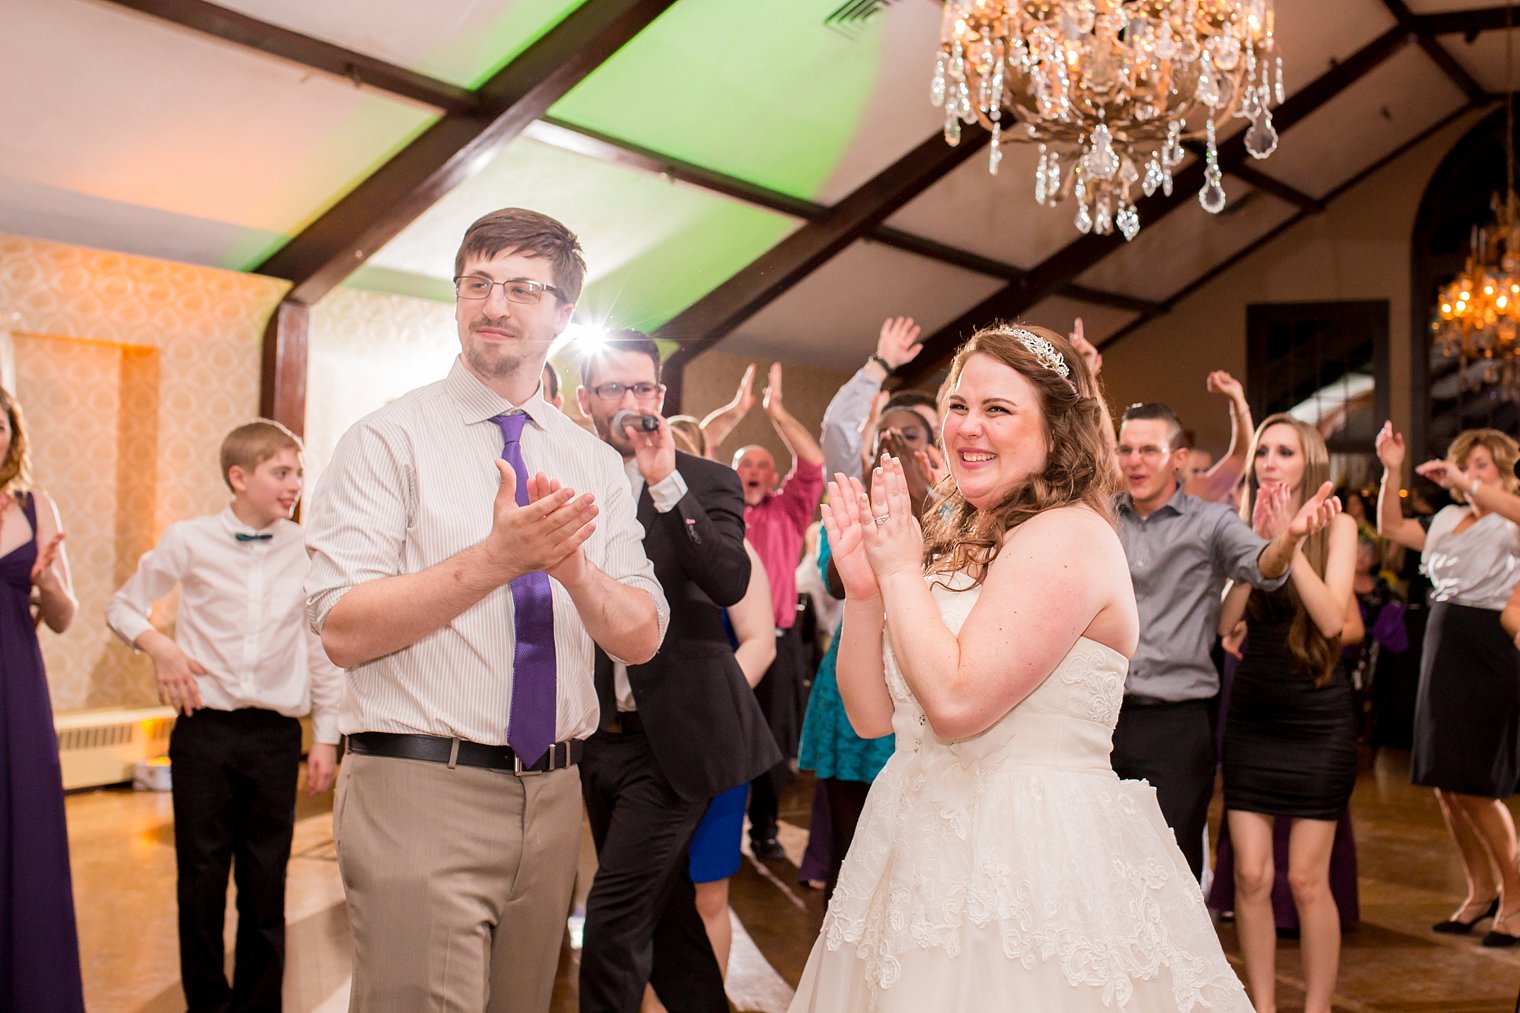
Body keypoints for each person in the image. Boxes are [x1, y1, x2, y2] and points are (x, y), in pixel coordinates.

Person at [789, 323, 1260, 1011]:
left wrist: (899, 572)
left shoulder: (1068, 534)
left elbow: (954, 702)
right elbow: (872, 716)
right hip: (914, 850)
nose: (967, 428)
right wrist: (866, 592)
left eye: (997, 409)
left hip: (1031, 858)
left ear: (1055, 428)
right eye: (958, 405)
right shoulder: (958, 533)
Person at [305, 208, 669, 1011]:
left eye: (520, 287)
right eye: (477, 283)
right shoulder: (385, 441)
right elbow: (340, 627)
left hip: (552, 800)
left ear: (564, 314)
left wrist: (574, 571)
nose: (494, 304)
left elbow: (640, 634)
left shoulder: (591, 463)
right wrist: (495, 560)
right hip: (416, 786)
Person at [573, 332, 779, 1013]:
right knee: (664, 915)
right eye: (614, 389)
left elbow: (726, 578)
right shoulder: (572, 478)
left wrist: (665, 481)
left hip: (680, 738)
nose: (632, 403)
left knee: (610, 920)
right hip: (602, 735)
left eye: (643, 389)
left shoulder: (706, 480)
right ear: (586, 401)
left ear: (660, 397)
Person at [105, 418, 340, 1012]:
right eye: (281, 472)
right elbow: (122, 606)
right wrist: (160, 648)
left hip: (274, 736)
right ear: (240, 477)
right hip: (203, 731)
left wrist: (327, 738)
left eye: (298, 473)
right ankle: (206, 1005)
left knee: (267, 881)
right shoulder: (189, 539)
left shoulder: (308, 549)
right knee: (202, 880)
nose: (294, 484)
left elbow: (320, 649)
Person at [1112, 401, 1313, 879]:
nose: (1134, 460)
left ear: (1178, 458)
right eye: (1125, 449)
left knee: (1172, 866)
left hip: (1175, 725)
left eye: (1148, 450)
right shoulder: (1098, 516)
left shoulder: (1211, 523)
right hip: (1099, 717)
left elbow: (1263, 567)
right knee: (1101, 865)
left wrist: (1288, 539)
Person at [1217, 414, 1356, 1013]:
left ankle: (1317, 1006)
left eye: (1284, 452)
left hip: (1318, 718)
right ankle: (1263, 1006)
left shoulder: (1341, 525)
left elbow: (1331, 620)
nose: (1269, 461)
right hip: (1254, 715)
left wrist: (1290, 542)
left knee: (1304, 879)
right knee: (1250, 876)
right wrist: (1259, 544)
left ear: (1311, 465)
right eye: (1264, 451)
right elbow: (1224, 623)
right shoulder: (1241, 523)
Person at [1375, 422, 1520, 946]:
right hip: (1444, 645)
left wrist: (1474, 485)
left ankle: (1516, 898)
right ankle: (1480, 892)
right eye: (1467, 464)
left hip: (1489, 649)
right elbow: (1391, 527)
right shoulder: (1448, 518)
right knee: (1445, 782)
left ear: (1503, 472)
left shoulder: (1509, 523)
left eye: (1484, 465)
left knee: (1478, 784)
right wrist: (1392, 470)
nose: (1472, 474)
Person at [0, 386, 85, 1012]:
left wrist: (49, 583)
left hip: (16, 688)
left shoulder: (37, 506)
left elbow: (62, 617)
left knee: (23, 832)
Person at [727, 364, 825, 860]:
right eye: (747, 464)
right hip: (723, 642)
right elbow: (688, 446)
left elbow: (811, 462)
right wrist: (736, 412)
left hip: (780, 642)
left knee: (770, 741)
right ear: (732, 470)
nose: (757, 473)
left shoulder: (788, 511)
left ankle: (763, 831)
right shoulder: (716, 507)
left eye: (765, 466)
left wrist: (777, 414)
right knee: (722, 733)